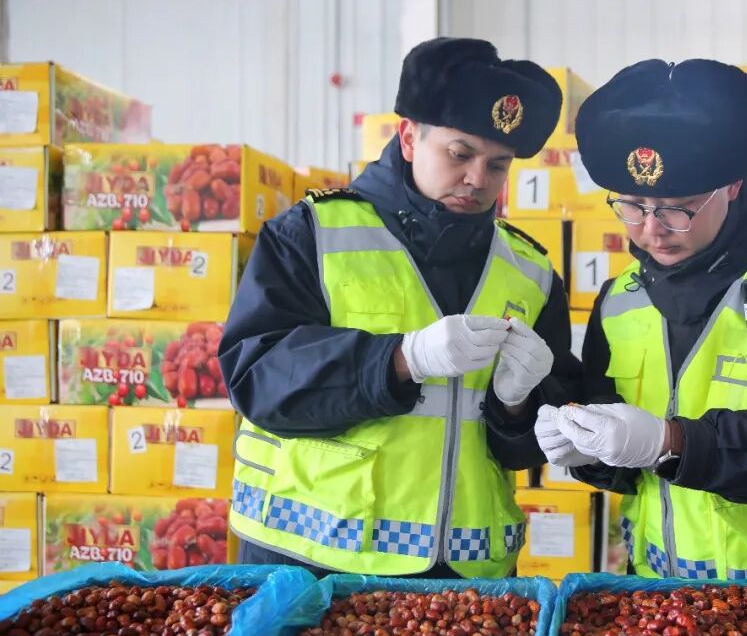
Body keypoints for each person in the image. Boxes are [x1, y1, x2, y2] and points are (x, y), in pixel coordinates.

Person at [221, 37, 579, 578]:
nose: (477, 180)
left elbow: (531, 447)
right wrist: (401, 359)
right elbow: (257, 377)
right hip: (312, 564)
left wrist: (515, 406)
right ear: (409, 137)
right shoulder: (312, 234)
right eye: (459, 154)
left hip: (464, 578)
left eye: (498, 165)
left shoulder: (531, 272)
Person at [536, 59, 747, 585]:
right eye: (632, 206)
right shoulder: (619, 300)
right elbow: (630, 466)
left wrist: (671, 442)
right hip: (663, 592)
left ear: (732, 186)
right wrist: (586, 451)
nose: (651, 230)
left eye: (677, 209)